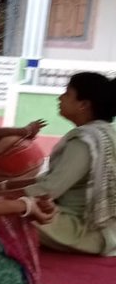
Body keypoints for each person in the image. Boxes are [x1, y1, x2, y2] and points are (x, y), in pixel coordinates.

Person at [23, 71, 116, 256]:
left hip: (82, 231)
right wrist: (5, 187)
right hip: (106, 231)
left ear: (83, 104)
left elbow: (48, 189)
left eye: (67, 93)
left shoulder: (85, 141)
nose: (60, 98)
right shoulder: (106, 133)